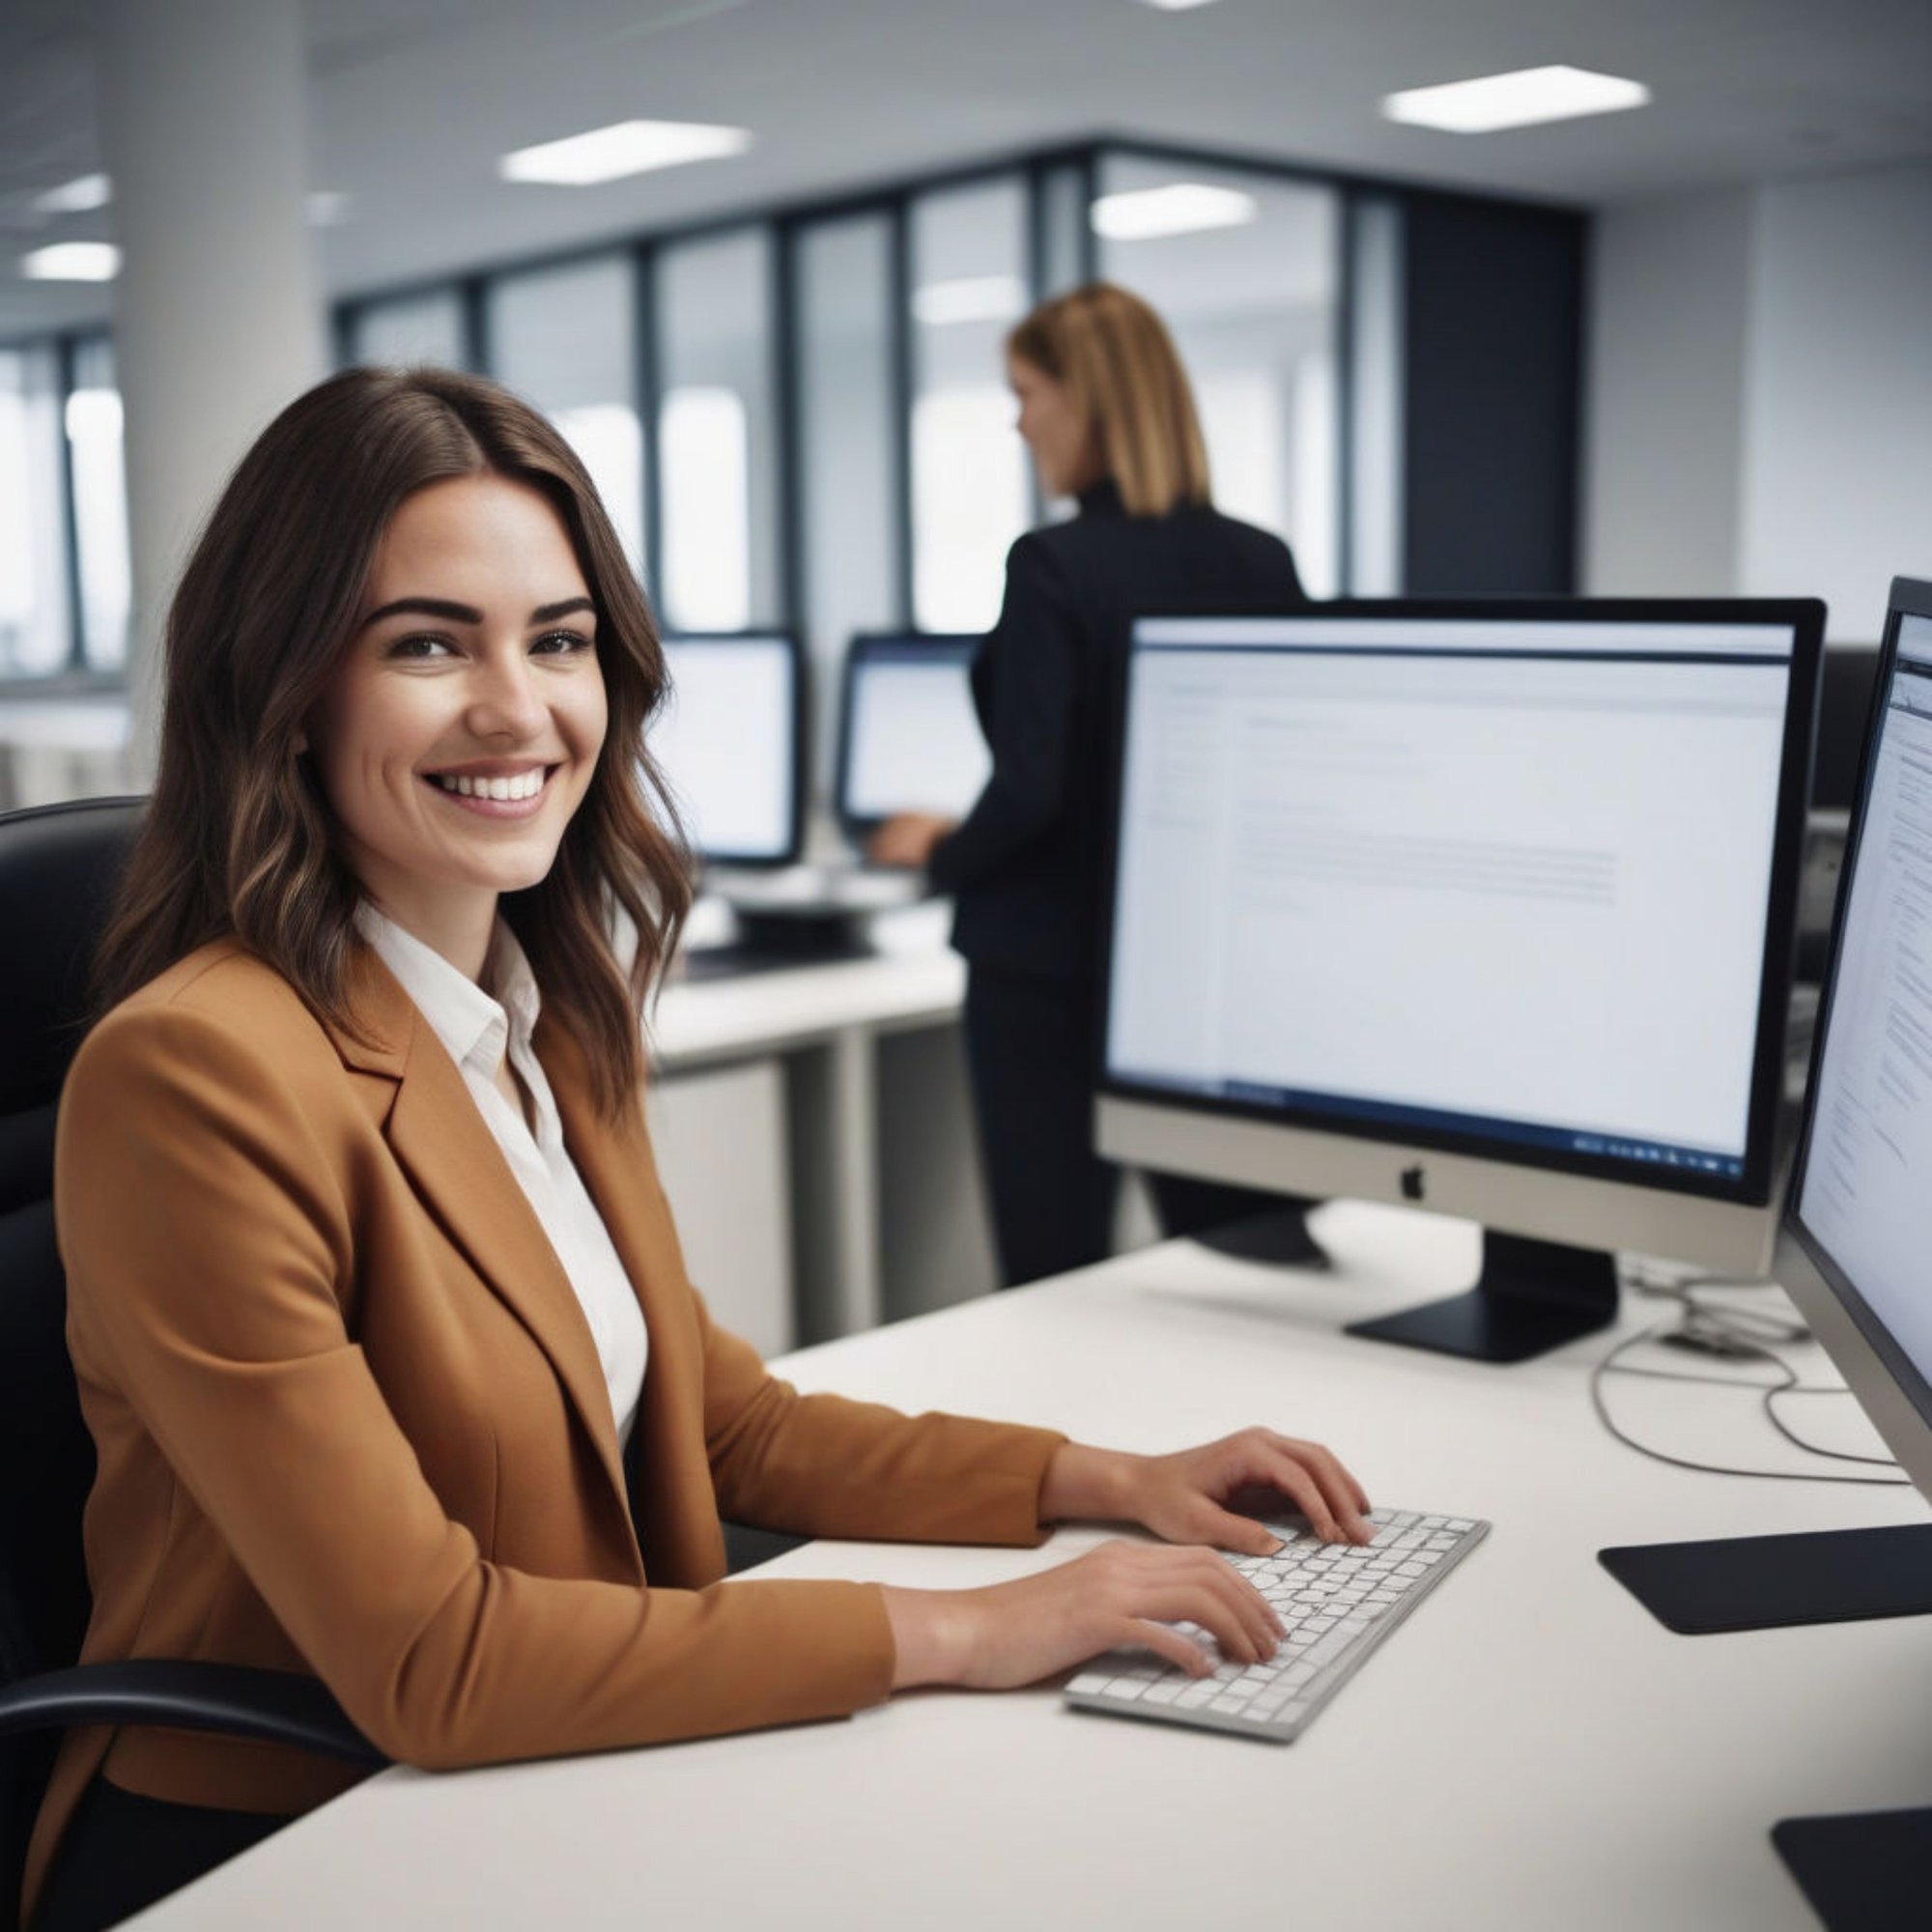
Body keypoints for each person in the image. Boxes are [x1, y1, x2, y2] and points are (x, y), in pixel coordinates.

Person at [24, 367, 1374, 1932]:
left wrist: (1107, 1480)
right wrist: (976, 1631)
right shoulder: (195, 1076)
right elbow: (430, 1661)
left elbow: (720, 1429)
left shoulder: (547, 1014)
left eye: (560, 638)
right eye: (426, 643)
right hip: (297, 1843)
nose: (517, 708)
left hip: (574, 1770)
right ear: (290, 685)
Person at [869, 283, 1322, 1289]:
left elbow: (1034, 790)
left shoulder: (1052, 566)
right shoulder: (1262, 562)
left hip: (1046, 977)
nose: (1017, 418)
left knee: (1053, 1278)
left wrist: (939, 850)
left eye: (1026, 390)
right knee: (1246, 1267)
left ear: (1089, 399)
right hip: (1206, 977)